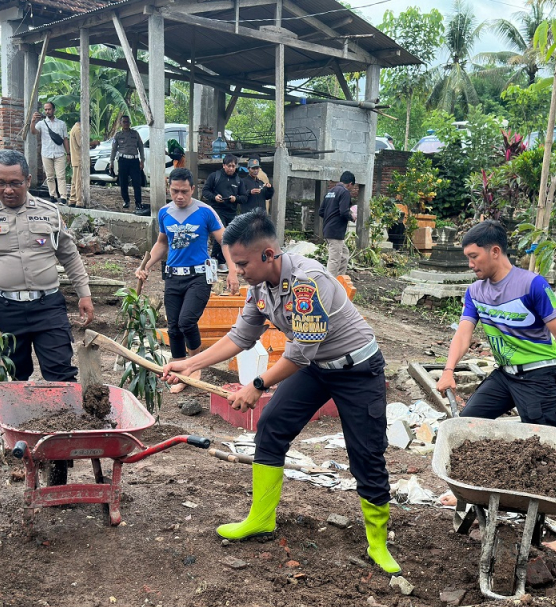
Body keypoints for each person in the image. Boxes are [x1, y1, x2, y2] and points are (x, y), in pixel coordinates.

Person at [162, 209, 399, 574]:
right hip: (317, 368)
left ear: (268, 254)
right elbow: (241, 336)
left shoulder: (307, 282)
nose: (237, 271)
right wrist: (190, 364)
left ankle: (378, 542)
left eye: (242, 263)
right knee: (271, 426)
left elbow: (299, 353)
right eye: (234, 263)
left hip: (357, 370)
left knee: (366, 454)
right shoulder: (259, 286)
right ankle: (260, 519)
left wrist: (257, 385)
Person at [436, 220, 556, 553]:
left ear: (495, 251)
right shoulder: (475, 291)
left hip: (539, 375)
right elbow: (464, 332)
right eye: (467, 258)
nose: (470, 264)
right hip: (505, 375)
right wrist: (448, 370)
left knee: (547, 448)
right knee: (467, 424)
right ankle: (467, 492)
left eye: (474, 256)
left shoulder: (531, 285)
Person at [0, 149, 94, 385]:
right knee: (13, 377)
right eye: (1, 183)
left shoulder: (49, 212)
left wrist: (84, 294)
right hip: (5, 309)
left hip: (48, 307)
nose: (8, 190)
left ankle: (64, 410)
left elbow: (69, 255)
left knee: (61, 375)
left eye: (15, 183)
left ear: (28, 180)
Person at [138, 168, 238, 394]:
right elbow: (162, 243)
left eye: (184, 191)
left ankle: (194, 367)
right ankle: (179, 371)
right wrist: (145, 266)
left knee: (186, 322)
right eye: (175, 191)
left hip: (199, 277)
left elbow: (225, 241)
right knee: (173, 327)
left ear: (193, 189)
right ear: (169, 188)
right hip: (173, 276)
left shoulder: (206, 212)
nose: (179, 196)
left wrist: (232, 271)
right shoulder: (164, 213)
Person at [30, 102, 69, 203]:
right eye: (46, 109)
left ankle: (63, 196)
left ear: (54, 110)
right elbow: (33, 132)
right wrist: (33, 121)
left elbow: (65, 139)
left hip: (59, 153)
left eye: (49, 109)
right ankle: (53, 195)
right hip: (46, 153)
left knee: (61, 176)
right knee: (50, 176)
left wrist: (68, 153)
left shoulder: (61, 124)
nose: (47, 111)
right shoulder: (41, 124)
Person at [319, 171, 355, 274]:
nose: (352, 189)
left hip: (328, 229)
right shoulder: (345, 192)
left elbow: (321, 212)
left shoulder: (330, 191)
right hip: (335, 231)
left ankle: (339, 279)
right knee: (334, 260)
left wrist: (331, 217)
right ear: (350, 184)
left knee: (344, 254)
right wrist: (352, 217)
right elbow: (344, 212)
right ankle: (329, 282)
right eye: (352, 187)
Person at [108, 114, 145, 211]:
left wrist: (142, 160)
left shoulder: (135, 134)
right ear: (120, 123)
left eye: (127, 122)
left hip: (134, 160)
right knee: (123, 182)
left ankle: (138, 203)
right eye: (124, 122)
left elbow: (141, 147)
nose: (126, 124)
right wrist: (111, 162)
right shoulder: (118, 135)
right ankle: (126, 200)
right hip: (123, 160)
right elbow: (114, 149)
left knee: (136, 182)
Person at [67, 120, 86, 208]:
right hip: (79, 159)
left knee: (74, 181)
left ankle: (72, 199)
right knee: (79, 181)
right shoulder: (78, 130)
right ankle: (79, 201)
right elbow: (81, 144)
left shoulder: (74, 128)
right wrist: (92, 143)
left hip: (75, 159)